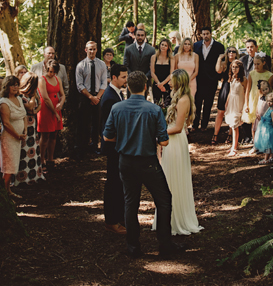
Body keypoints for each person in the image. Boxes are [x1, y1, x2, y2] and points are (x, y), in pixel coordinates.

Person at [103, 72, 184, 259]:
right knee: (164, 200)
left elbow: (107, 137)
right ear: (146, 87)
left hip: (125, 162)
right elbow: (164, 142)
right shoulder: (154, 110)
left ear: (128, 87)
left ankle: (133, 247)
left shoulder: (117, 108)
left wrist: (123, 139)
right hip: (147, 162)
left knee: (130, 203)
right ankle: (164, 245)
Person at [153, 69, 203, 236]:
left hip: (175, 141)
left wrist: (158, 133)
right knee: (168, 177)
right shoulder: (177, 97)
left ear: (179, 82)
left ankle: (177, 220)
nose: (168, 82)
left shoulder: (183, 100)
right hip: (170, 140)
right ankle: (168, 219)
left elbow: (178, 127)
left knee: (173, 178)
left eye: (171, 80)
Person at [99, 64, 128, 234]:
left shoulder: (117, 93)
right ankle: (111, 221)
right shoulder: (110, 97)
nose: (126, 80)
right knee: (113, 184)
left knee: (119, 182)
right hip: (113, 146)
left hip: (119, 145)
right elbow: (112, 127)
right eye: (123, 77)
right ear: (114, 77)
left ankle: (120, 216)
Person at [75, 40, 107, 159]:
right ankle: (82, 148)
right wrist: (90, 97)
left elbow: (104, 83)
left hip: (98, 97)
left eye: (94, 49)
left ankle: (94, 147)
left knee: (97, 123)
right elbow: (80, 85)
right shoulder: (81, 65)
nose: (92, 51)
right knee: (83, 123)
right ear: (86, 50)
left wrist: (97, 97)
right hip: (85, 97)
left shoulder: (101, 64)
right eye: (90, 49)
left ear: (97, 50)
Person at [192, 27, 225, 132]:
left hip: (212, 79)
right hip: (198, 79)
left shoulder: (219, 46)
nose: (205, 35)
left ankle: (204, 125)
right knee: (197, 102)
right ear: (201, 35)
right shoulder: (196, 46)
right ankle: (195, 124)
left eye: (207, 33)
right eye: (203, 34)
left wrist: (218, 78)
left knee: (208, 102)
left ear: (211, 34)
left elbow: (222, 63)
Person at [0, 76, 27, 194]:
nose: (15, 87)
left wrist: (24, 131)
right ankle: (4, 193)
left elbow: (23, 115)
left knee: (14, 165)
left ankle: (8, 190)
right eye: (13, 85)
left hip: (19, 138)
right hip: (9, 138)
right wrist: (17, 135)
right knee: (8, 167)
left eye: (17, 84)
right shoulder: (4, 102)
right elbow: (6, 123)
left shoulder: (19, 99)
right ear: (7, 87)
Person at [15, 72, 45, 186]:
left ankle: (34, 174)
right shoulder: (20, 95)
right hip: (24, 126)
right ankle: (23, 177)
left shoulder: (34, 93)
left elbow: (39, 105)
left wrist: (35, 112)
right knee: (24, 150)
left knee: (33, 148)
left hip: (33, 125)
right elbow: (30, 106)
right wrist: (33, 99)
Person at [37, 59, 66, 171]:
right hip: (46, 109)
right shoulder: (42, 79)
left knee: (54, 134)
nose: (52, 74)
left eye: (54, 72)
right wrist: (55, 113)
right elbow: (45, 98)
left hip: (56, 107)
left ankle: (50, 159)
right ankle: (41, 160)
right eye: (50, 71)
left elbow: (62, 94)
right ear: (46, 69)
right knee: (45, 136)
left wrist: (61, 103)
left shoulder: (57, 79)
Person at [211, 46, 240, 145]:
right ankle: (215, 134)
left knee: (233, 111)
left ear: (236, 53)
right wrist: (220, 58)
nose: (231, 53)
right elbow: (218, 70)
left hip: (235, 88)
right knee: (220, 111)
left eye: (233, 51)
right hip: (225, 88)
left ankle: (230, 134)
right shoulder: (224, 64)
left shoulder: (238, 64)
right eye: (229, 51)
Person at [243, 53, 272, 144]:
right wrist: (246, 104)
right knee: (254, 123)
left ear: (263, 63)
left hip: (263, 102)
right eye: (254, 64)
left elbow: (270, 91)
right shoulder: (252, 73)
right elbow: (248, 89)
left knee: (263, 122)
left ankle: (263, 143)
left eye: (258, 64)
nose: (256, 66)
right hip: (253, 100)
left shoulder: (269, 75)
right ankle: (255, 143)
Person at [224, 59, 249, 157]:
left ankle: (234, 148)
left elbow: (246, 92)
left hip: (239, 102)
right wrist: (227, 102)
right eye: (233, 67)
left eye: (236, 67)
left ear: (240, 68)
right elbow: (230, 91)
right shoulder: (232, 77)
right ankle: (234, 144)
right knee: (232, 124)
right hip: (232, 102)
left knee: (235, 125)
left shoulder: (243, 79)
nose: (234, 69)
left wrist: (245, 105)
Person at [253, 81, 273, 164]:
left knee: (269, 145)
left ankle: (268, 158)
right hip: (266, 129)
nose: (269, 103)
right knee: (270, 145)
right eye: (268, 101)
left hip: (269, 130)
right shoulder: (269, 109)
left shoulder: (272, 111)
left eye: (271, 102)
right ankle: (271, 157)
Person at [150, 38, 174, 108]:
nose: (163, 46)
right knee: (156, 105)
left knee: (167, 105)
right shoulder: (154, 57)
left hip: (167, 84)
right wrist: (159, 84)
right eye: (162, 44)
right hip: (156, 84)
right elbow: (152, 72)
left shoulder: (171, 58)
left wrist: (163, 84)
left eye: (165, 45)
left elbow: (171, 73)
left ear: (168, 47)